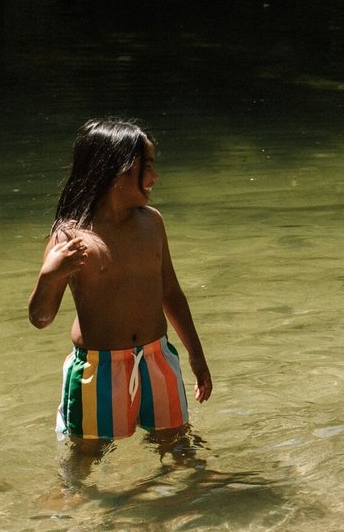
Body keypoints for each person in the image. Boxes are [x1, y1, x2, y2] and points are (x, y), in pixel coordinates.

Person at [28, 120, 212, 475]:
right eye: (149, 166)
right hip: (99, 369)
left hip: (158, 359)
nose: (156, 177)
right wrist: (49, 275)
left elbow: (170, 292)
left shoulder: (153, 223)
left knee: (176, 441)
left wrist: (196, 355)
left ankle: (191, 495)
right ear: (118, 172)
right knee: (88, 452)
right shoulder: (71, 238)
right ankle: (74, 502)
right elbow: (41, 318)